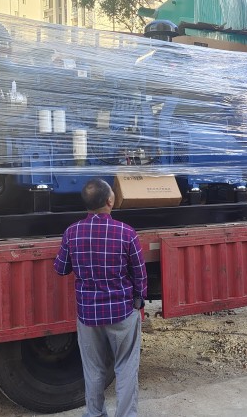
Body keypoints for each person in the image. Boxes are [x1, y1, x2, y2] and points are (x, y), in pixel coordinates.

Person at [54, 178, 147, 417]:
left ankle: (95, 413)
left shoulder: (72, 232)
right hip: (122, 312)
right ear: (110, 201)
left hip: (88, 314)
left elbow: (61, 269)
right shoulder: (126, 232)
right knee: (126, 367)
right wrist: (139, 301)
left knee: (93, 369)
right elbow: (139, 273)